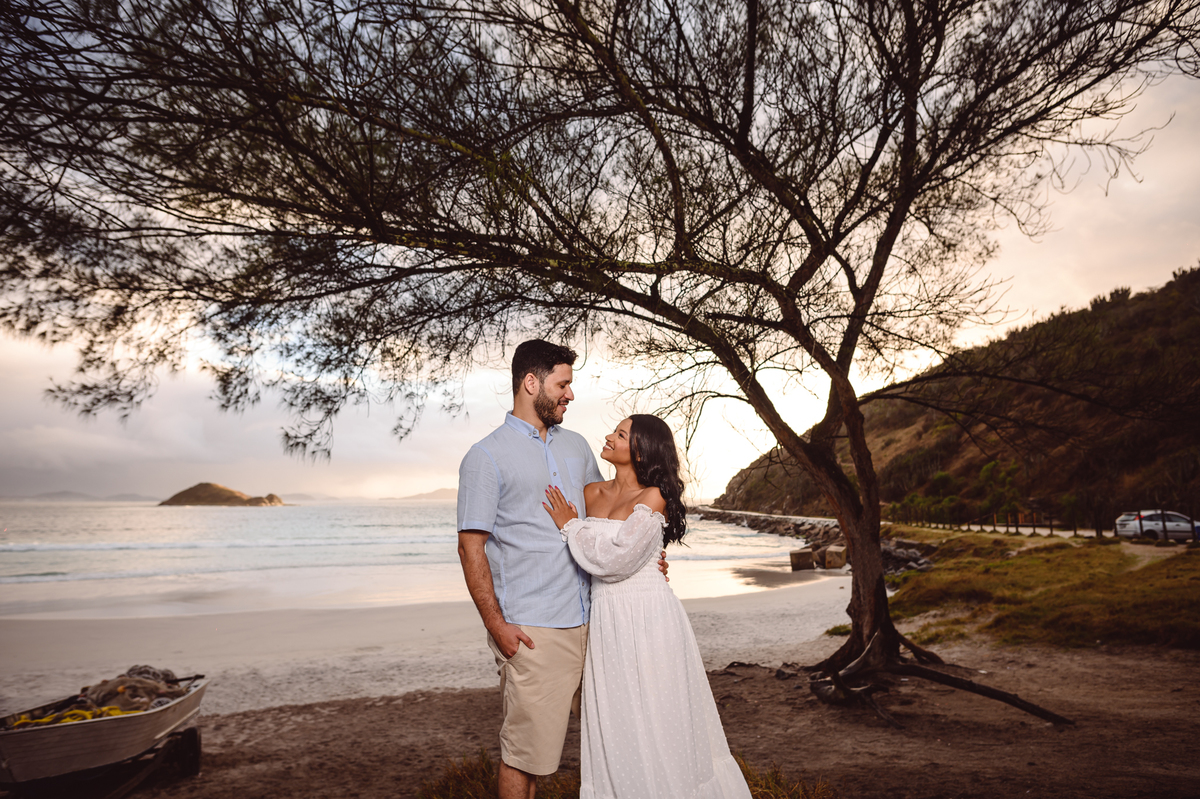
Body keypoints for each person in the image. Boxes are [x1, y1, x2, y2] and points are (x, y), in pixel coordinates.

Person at [543, 415, 752, 798]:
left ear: (639, 450)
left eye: (620, 434)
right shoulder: (589, 493)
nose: (608, 435)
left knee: (661, 715)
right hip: (608, 619)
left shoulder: (653, 496)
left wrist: (572, 528)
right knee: (619, 718)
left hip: (652, 619)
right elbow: (606, 559)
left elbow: (616, 561)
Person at [456, 339, 604, 799]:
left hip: (597, 621)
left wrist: (644, 551)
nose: (570, 395)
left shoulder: (577, 446)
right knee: (527, 757)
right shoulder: (486, 457)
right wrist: (497, 626)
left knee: (607, 745)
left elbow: (604, 517)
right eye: (563, 385)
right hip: (536, 630)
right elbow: (470, 547)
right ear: (531, 382)